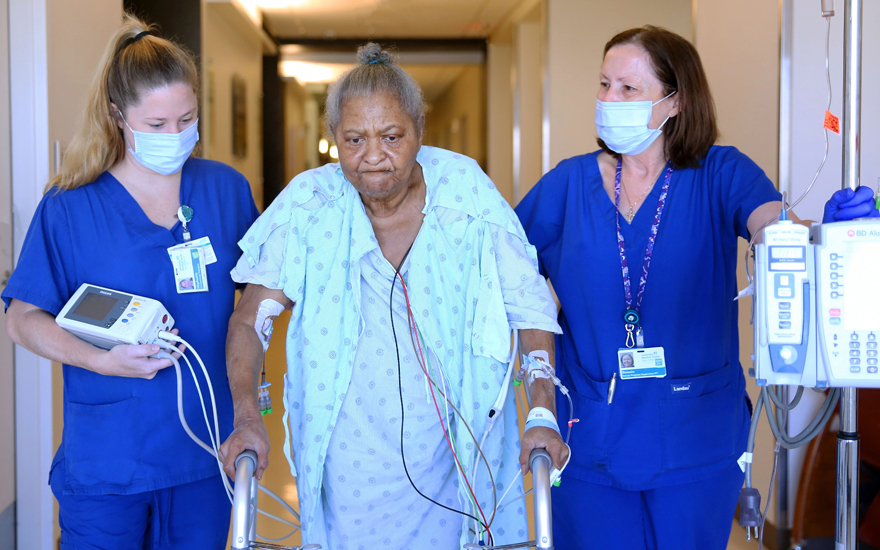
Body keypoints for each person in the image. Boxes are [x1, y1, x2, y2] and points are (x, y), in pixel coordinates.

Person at [514, 26, 877, 550]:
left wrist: (825, 236)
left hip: (697, 437)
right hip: (588, 431)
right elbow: (507, 272)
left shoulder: (720, 173)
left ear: (674, 101)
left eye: (628, 89)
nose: (608, 99)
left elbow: (773, 226)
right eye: (603, 84)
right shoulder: (567, 186)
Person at [218, 43, 567, 550]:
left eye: (391, 136)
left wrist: (542, 410)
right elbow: (251, 319)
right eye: (354, 139)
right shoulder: (311, 205)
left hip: (459, 443)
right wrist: (248, 414)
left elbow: (528, 303)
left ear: (419, 131)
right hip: (350, 453)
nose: (373, 156)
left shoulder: (465, 191)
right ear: (333, 138)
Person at [3, 15, 259, 549]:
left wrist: (249, 411)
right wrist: (100, 359)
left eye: (186, 119)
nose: (176, 136)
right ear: (118, 116)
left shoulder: (224, 191)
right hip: (108, 461)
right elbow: (21, 319)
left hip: (206, 453)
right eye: (157, 125)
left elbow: (257, 307)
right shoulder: (71, 206)